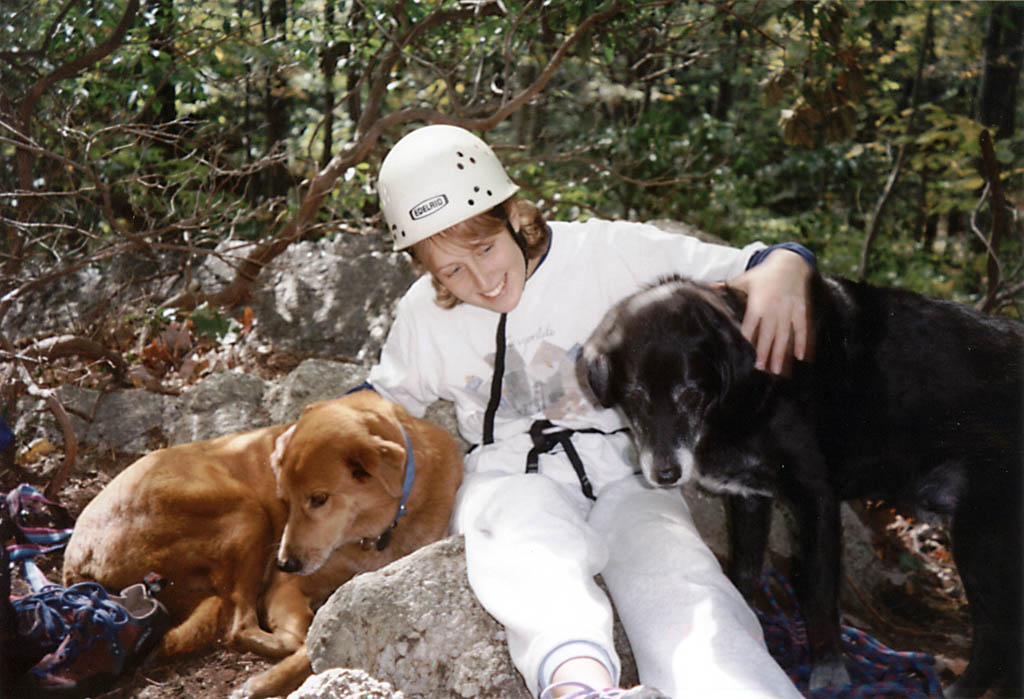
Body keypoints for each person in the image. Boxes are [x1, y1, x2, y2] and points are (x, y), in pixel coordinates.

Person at [364, 124, 810, 699]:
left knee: (682, 579)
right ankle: (577, 685)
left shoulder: (607, 254)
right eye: (450, 270)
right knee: (520, 542)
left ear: (512, 216)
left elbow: (757, 263)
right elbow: (383, 400)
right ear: (426, 269)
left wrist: (788, 266)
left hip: (625, 469)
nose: (480, 280)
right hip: (510, 472)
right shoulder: (426, 313)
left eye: (484, 249)